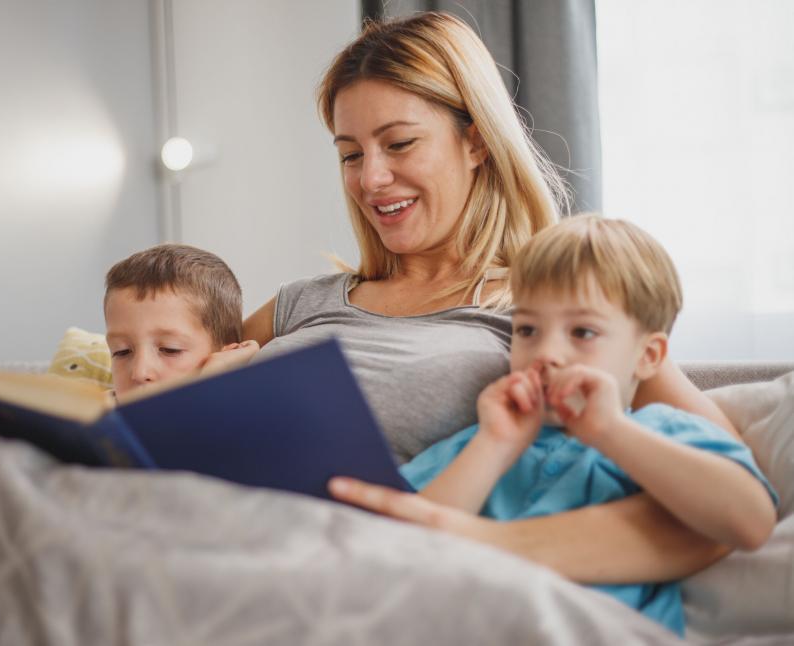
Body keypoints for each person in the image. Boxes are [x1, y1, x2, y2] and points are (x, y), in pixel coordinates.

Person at [245, 12, 744, 585]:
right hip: (232, 540)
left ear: (476, 140)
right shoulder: (299, 303)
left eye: (399, 144)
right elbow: (160, 389)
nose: (371, 179)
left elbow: (724, 497)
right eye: (351, 154)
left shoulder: (549, 315)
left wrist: (484, 544)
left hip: (369, 573)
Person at [392, 215, 777, 634]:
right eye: (528, 329)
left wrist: (611, 431)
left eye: (582, 332)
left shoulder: (662, 431)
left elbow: (751, 521)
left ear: (648, 356)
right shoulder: (482, 440)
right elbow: (399, 545)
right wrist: (493, 445)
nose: (547, 352)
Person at [104, 244, 258, 396]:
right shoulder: (100, 412)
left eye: (170, 349)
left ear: (229, 358)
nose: (139, 372)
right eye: (121, 352)